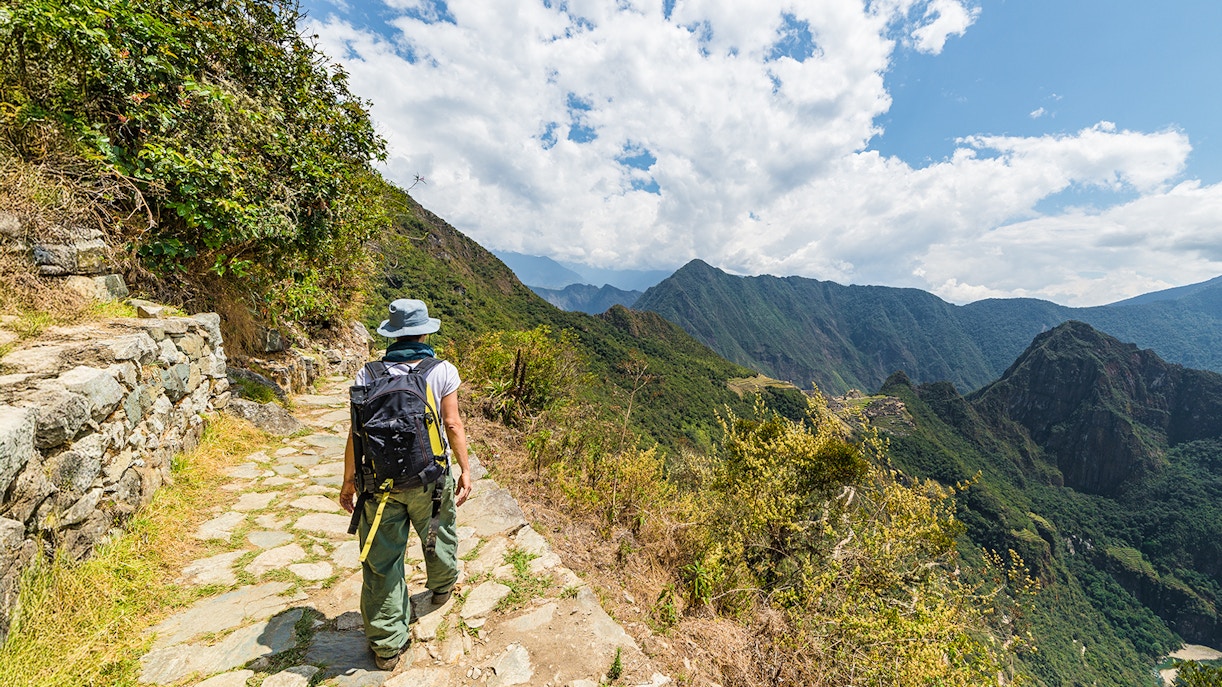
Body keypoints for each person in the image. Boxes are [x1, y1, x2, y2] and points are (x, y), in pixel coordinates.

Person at [340, 298, 473, 671]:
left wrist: (349, 481)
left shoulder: (368, 374)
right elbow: (453, 424)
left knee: (382, 562)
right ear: (426, 330)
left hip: (379, 484)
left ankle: (386, 646)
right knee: (438, 530)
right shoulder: (442, 370)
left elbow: (355, 433)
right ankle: (442, 585)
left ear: (391, 334)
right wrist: (464, 469)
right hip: (430, 478)